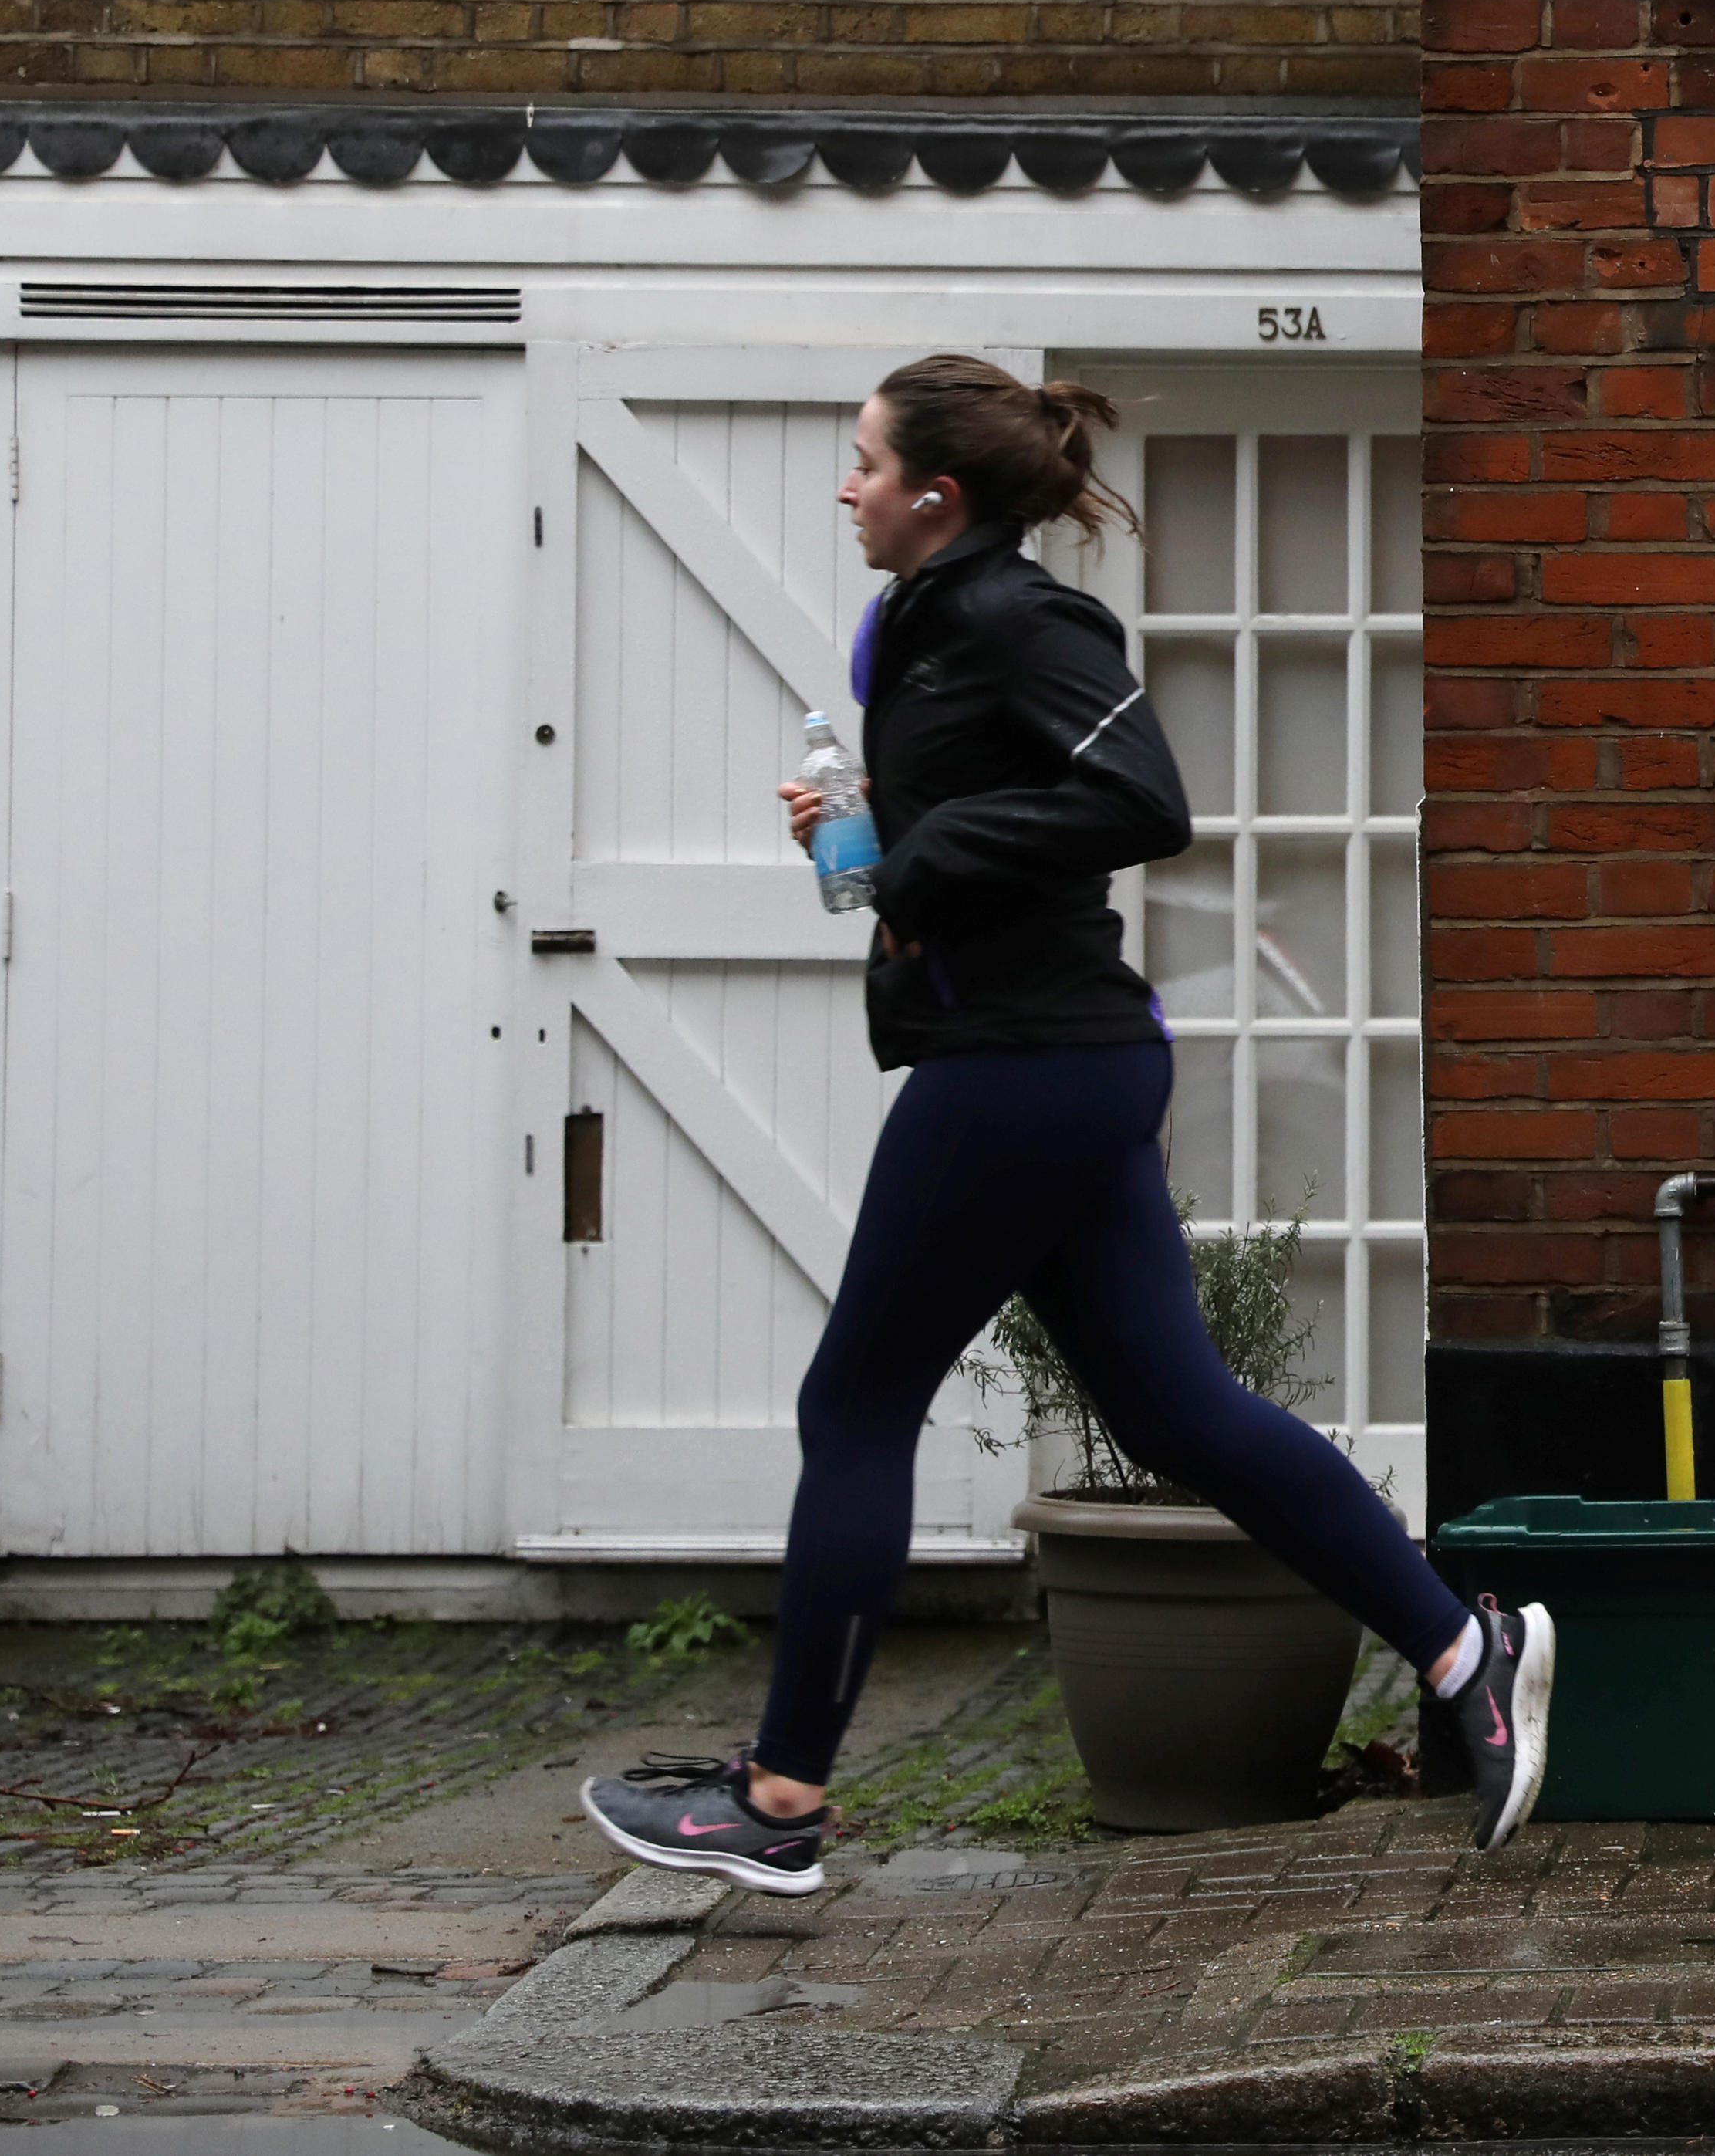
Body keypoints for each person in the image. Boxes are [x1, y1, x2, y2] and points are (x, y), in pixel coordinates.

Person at [575, 355, 1552, 1894]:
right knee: (1171, 1412)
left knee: (854, 1407)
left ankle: (780, 1803)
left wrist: (928, 846)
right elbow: (993, 820)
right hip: (1045, 1057)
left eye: (865, 465)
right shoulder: (924, 623)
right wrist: (886, 839)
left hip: (1027, 1064)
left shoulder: (1023, 620)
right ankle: (1458, 1645)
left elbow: (1142, 802)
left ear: (935, 497)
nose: (846, 488)